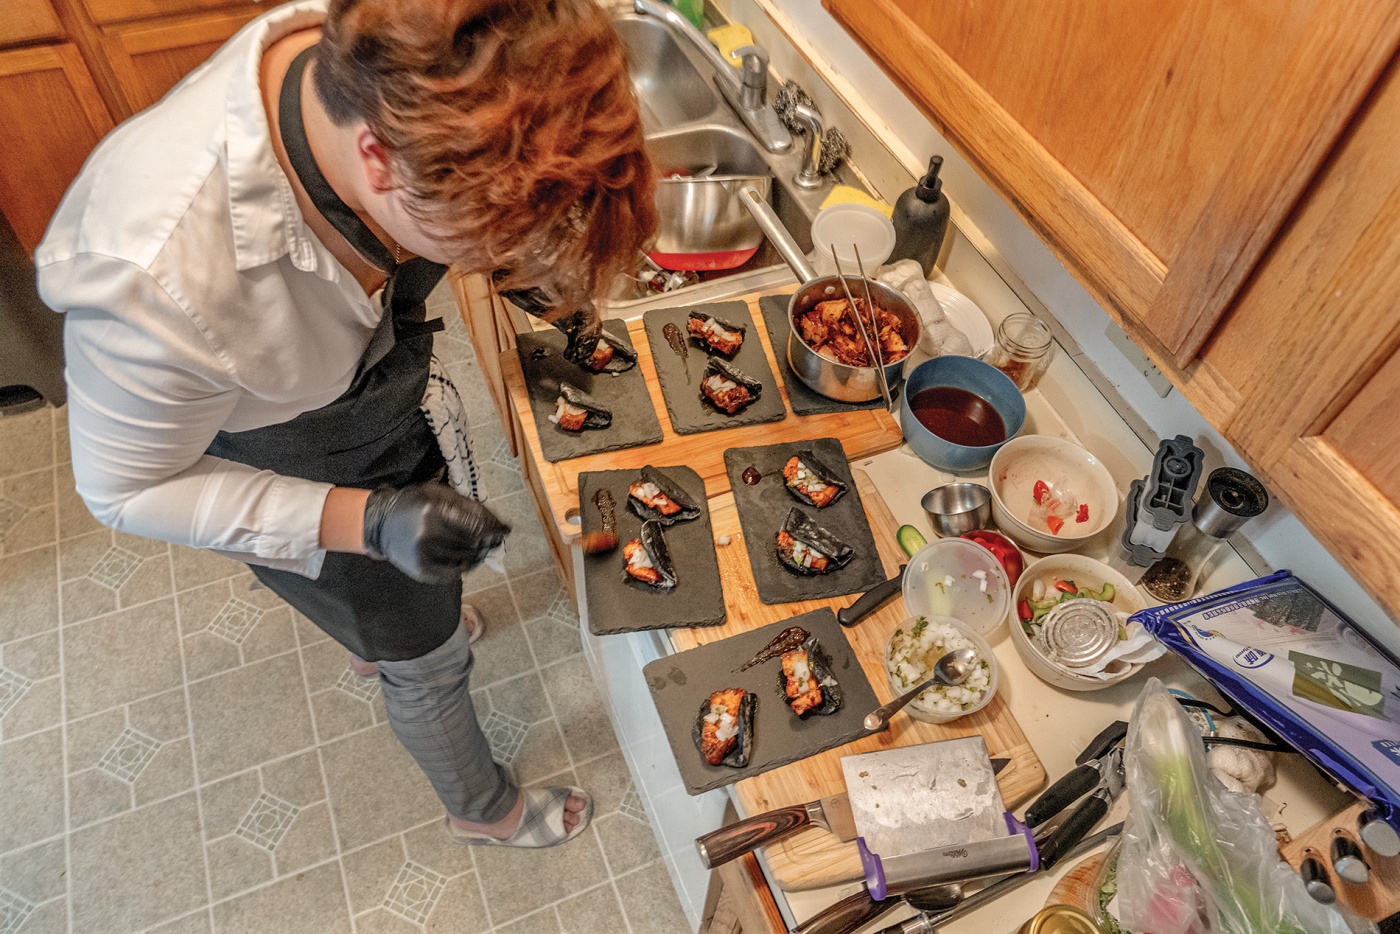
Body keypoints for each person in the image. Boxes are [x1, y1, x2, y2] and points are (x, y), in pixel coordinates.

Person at [36, 0, 655, 848]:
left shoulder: (404, 74)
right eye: (483, 238)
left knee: (405, 613)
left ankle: (382, 637)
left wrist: (534, 267)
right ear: (377, 162)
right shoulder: (154, 277)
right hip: (288, 459)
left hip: (378, 408)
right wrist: (362, 521)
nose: (487, 256)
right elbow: (124, 488)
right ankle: (483, 810)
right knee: (428, 661)